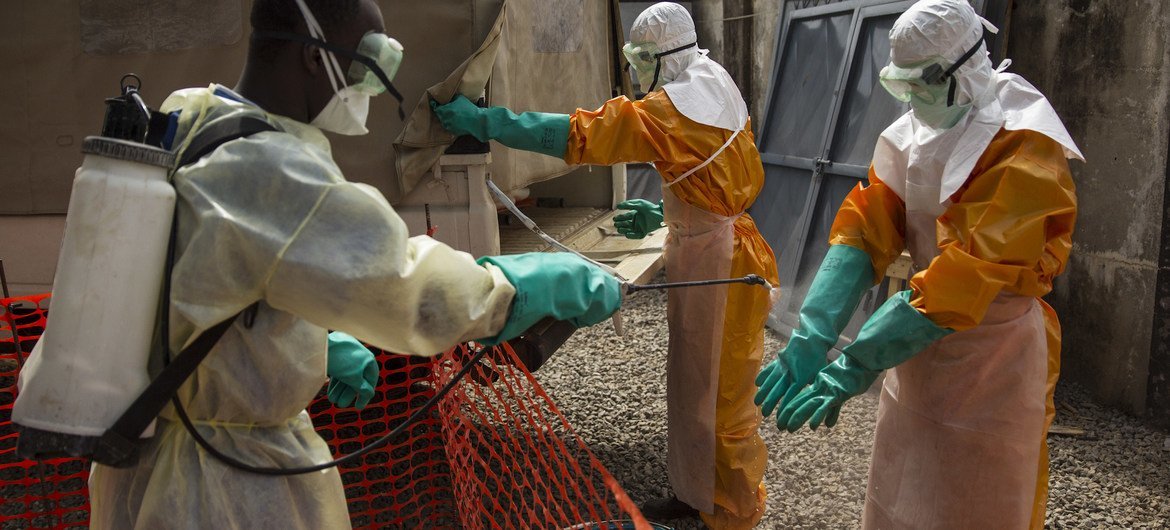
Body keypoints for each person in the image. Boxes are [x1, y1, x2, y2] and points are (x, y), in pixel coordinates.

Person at [85, 0, 621, 528]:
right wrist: (519, 286)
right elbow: (412, 292)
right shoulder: (273, 170)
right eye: (368, 63)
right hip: (224, 490)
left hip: (138, 464)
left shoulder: (192, 119)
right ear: (315, 57)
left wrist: (306, 339)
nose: (371, 86)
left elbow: (206, 280)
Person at [432, 3, 777, 528]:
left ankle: (731, 516)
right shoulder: (714, 83)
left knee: (721, 397)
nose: (637, 69)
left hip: (722, 261)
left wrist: (486, 121)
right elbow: (722, 170)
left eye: (640, 58)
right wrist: (668, 211)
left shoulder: (669, 111)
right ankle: (698, 496)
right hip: (717, 241)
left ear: (662, 56)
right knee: (693, 381)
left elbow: (576, 135)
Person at [754, 0, 1083, 528]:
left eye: (922, 84)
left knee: (979, 500)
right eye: (901, 84)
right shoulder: (914, 133)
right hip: (915, 346)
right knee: (901, 493)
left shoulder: (1024, 146)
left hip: (992, 355)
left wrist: (855, 363)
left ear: (963, 70)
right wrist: (813, 332)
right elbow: (867, 228)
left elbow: (966, 273)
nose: (912, 99)